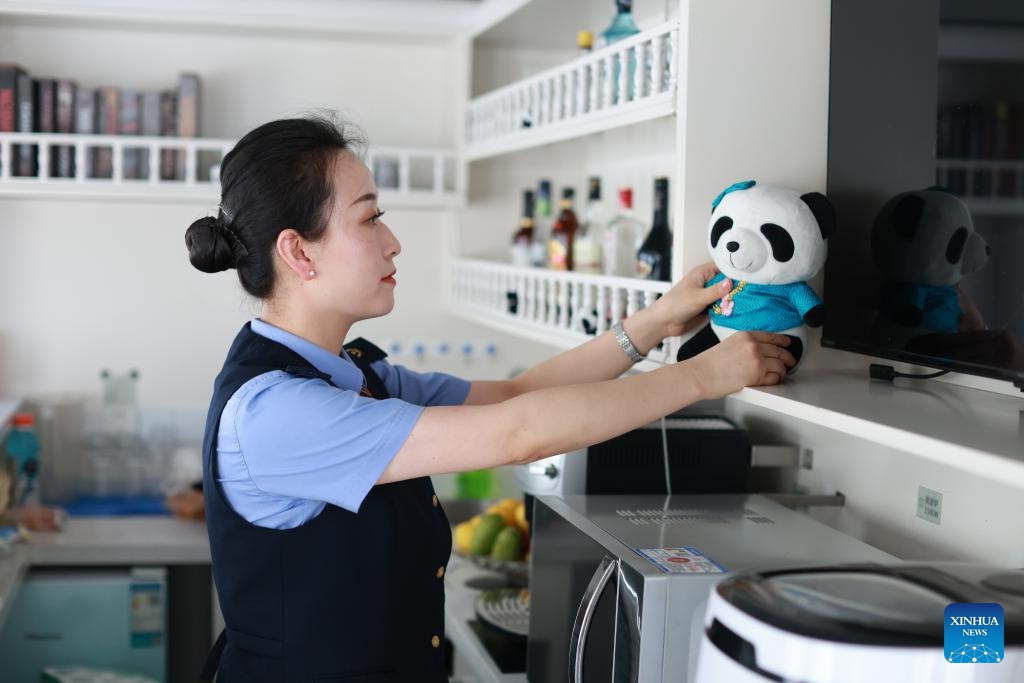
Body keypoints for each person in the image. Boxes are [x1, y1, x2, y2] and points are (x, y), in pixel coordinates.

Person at [185, 114, 795, 682]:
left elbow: (518, 393)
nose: (393, 241)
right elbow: (517, 432)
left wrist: (655, 323)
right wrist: (703, 377)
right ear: (298, 251)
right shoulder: (279, 413)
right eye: (370, 219)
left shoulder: (354, 373)